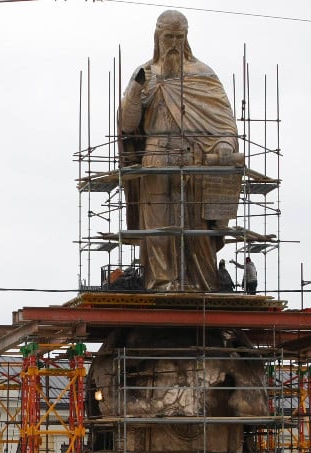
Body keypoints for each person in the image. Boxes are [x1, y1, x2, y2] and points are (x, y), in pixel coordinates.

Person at [118, 10, 240, 292]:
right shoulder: (144, 74)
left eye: (178, 37)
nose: (173, 42)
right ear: (157, 36)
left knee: (196, 230)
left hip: (193, 160)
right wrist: (135, 92)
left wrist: (224, 143)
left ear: (186, 38)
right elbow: (128, 124)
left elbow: (224, 122)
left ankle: (201, 282)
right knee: (160, 229)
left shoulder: (203, 75)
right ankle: (162, 283)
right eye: (168, 36)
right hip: (156, 160)